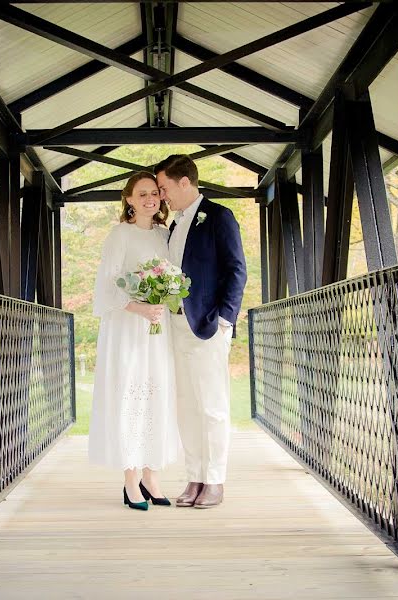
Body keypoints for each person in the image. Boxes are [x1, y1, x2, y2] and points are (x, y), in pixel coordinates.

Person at [155, 155, 247, 509]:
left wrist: (225, 319)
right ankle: (194, 476)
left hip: (208, 326)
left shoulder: (219, 217)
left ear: (184, 182)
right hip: (175, 326)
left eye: (164, 188)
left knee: (212, 406)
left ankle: (215, 480)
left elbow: (237, 269)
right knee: (186, 407)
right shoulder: (176, 225)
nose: (163, 196)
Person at [88, 172, 180, 511]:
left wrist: (163, 300)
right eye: (141, 194)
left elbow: (174, 276)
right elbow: (105, 285)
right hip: (127, 327)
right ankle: (130, 480)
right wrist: (138, 307)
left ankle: (152, 475)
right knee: (131, 396)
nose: (149, 199)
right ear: (128, 199)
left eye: (154, 193)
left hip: (157, 328)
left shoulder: (164, 235)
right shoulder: (120, 235)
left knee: (158, 395)